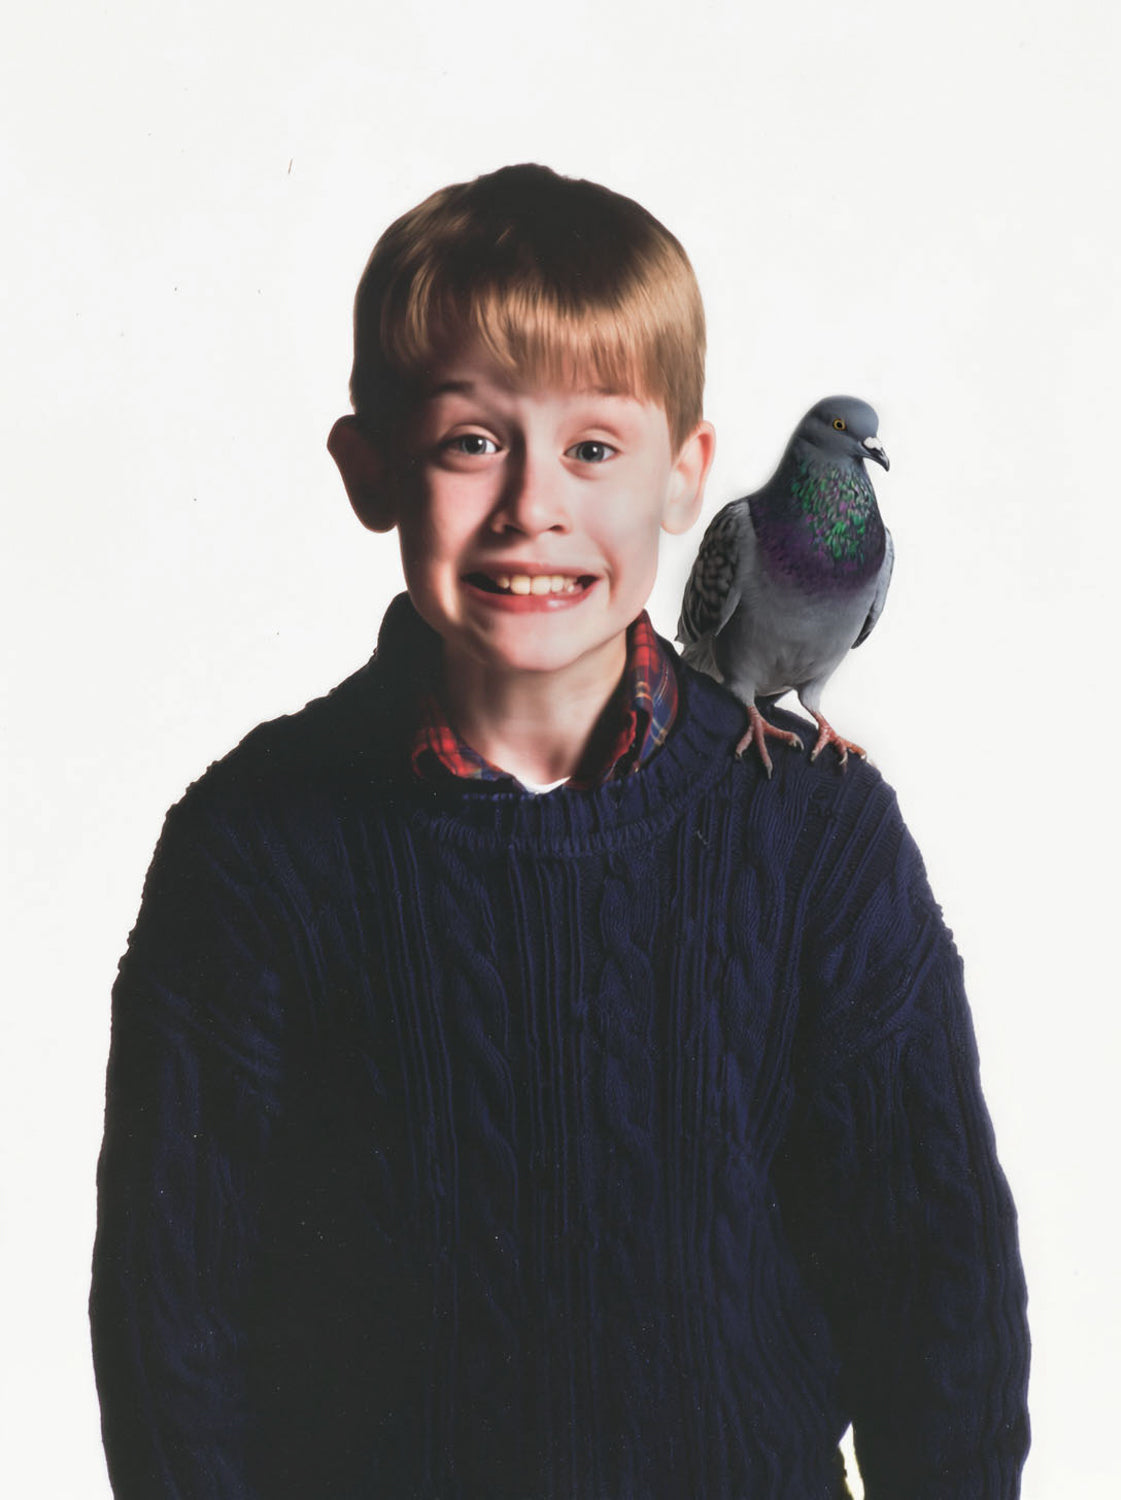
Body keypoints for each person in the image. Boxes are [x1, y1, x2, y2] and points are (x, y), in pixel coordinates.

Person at [90, 163, 1030, 1499]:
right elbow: (171, 1320)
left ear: (686, 478)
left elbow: (937, 1290)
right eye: (472, 441)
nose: (534, 504)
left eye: (594, 449)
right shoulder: (253, 851)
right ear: (369, 469)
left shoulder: (819, 841)